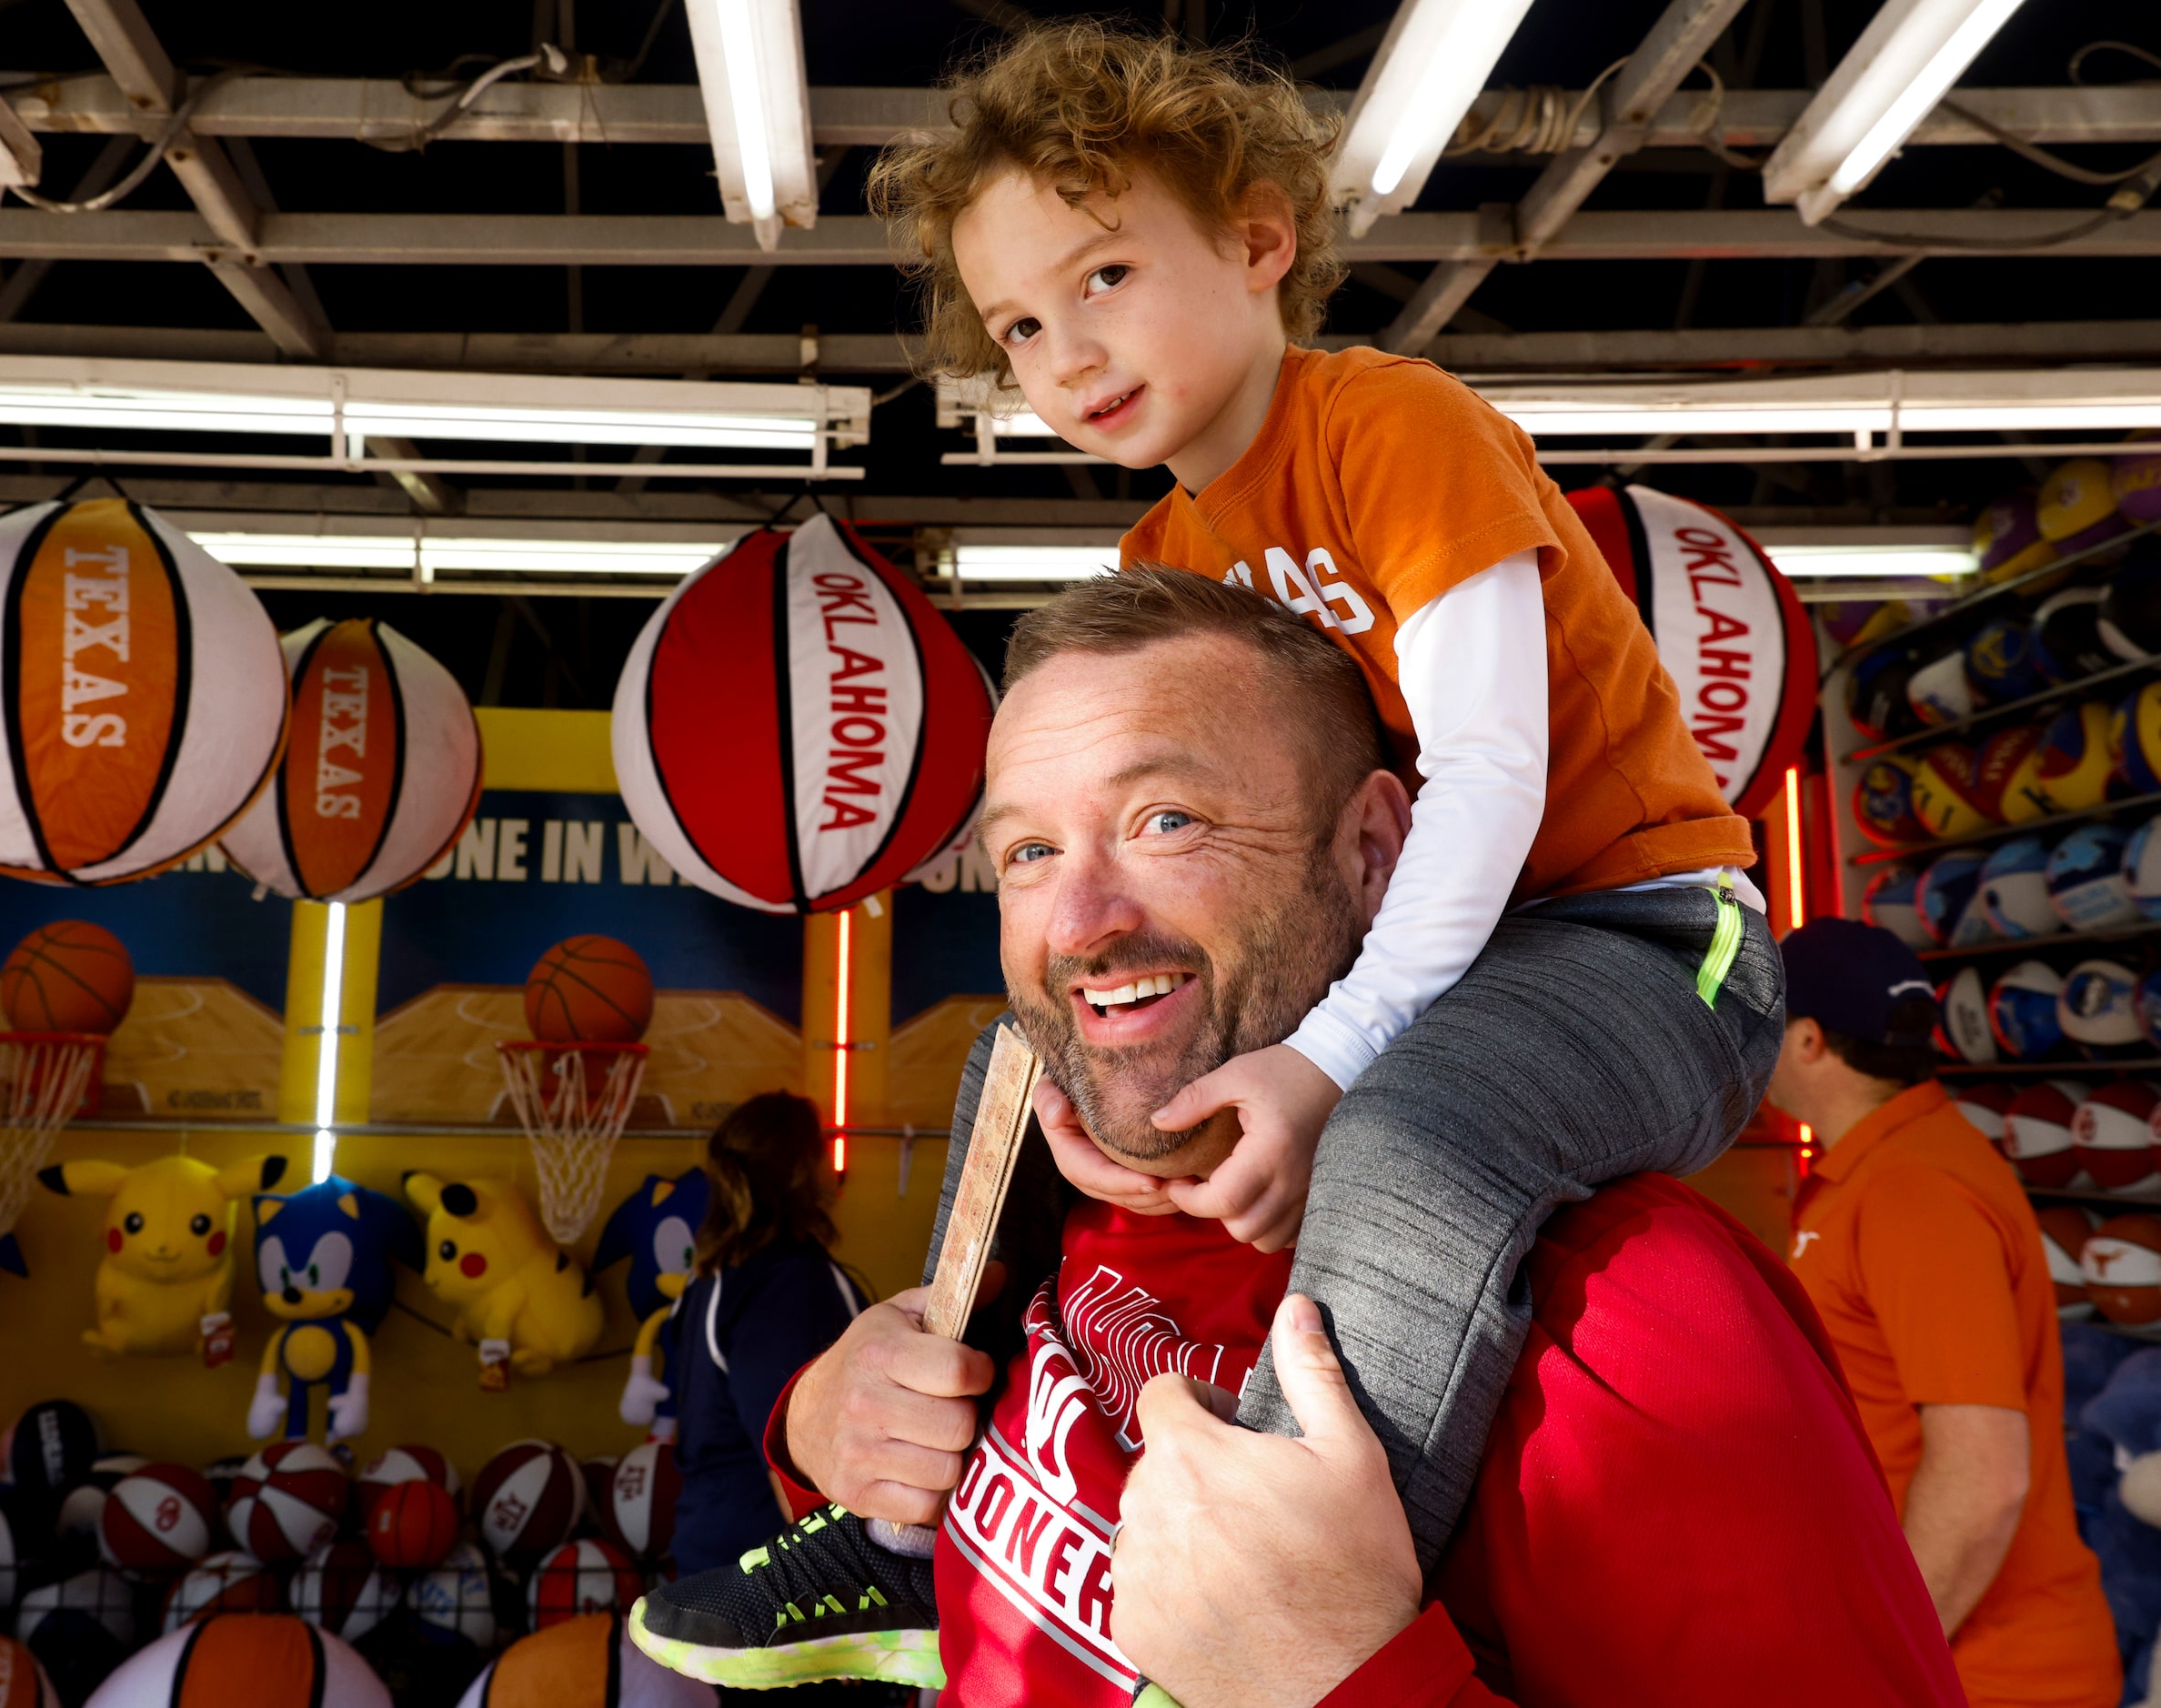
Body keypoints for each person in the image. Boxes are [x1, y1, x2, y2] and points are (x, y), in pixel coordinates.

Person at [632, 570, 1965, 1706]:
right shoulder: (1062, 1205)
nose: (1081, 921)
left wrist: (1347, 1672)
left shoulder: (1626, 1320)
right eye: (1027, 851)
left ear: (1376, 848)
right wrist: (835, 1437)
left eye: (1166, 821)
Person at [855, 18, 1772, 1563]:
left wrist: (1333, 1051)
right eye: (1015, 326)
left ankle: (1284, 1591)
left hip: (1638, 930)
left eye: (1100, 277)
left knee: (1409, 1126)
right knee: (1017, 1054)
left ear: (1256, 238)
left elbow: (1487, 771)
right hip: (1425, 947)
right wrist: (1101, 1090)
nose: (1062, 353)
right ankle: (895, 1539)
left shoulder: (1388, 425)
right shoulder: (1160, 563)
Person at [1768, 919, 2118, 1708]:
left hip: (1986, 1676)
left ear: (1811, 1041)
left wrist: (1881, 1665)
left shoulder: (1909, 1191)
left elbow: (1983, 1474)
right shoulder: (1889, 1165)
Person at [663, 1090, 868, 1582]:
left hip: (713, 1560)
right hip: (765, 1588)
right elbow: (794, 1459)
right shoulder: (787, 1285)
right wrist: (846, 1581)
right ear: (802, 1167)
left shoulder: (713, 1278)